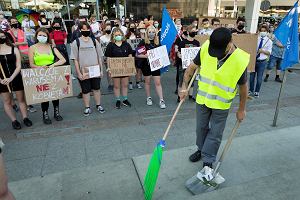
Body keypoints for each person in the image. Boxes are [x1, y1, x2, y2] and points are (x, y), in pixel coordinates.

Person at [180, 27, 249, 168]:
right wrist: (184, 86)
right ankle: (201, 149)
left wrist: (241, 109)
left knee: (215, 134)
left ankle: (208, 160)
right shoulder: (206, 47)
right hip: (202, 100)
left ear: (230, 42)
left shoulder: (240, 60)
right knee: (201, 129)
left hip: (221, 104)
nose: (215, 54)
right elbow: (191, 68)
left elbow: (243, 88)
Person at [28, 28, 66, 124]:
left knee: (54, 94)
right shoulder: (32, 48)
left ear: (47, 37)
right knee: (44, 96)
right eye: (40, 35)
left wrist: (53, 65)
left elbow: (63, 60)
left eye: (44, 36)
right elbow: (31, 64)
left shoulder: (51, 46)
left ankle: (56, 112)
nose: (42, 37)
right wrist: (40, 67)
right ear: (36, 36)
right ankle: (45, 114)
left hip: (52, 73)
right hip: (40, 73)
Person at [70, 22, 105, 116]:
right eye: (83, 29)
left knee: (96, 89)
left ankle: (98, 105)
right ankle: (87, 107)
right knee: (85, 91)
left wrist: (101, 70)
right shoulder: (76, 42)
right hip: (83, 71)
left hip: (95, 70)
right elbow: (75, 60)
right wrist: (78, 73)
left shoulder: (94, 41)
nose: (86, 31)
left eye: (87, 29)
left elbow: (99, 56)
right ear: (80, 30)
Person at [0, 30, 33, 130]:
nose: (1, 38)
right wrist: (1, 80)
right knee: (7, 101)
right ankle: (14, 120)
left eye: (2, 36)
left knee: (21, 99)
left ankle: (25, 117)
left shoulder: (14, 49)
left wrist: (11, 78)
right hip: (2, 80)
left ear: (6, 36)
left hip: (15, 77)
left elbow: (18, 66)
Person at [7, 18, 37, 113]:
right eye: (13, 22)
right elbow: (9, 44)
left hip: (25, 57)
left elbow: (25, 42)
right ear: (9, 23)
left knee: (26, 81)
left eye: (16, 22)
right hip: (13, 59)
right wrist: (17, 43)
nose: (15, 23)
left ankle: (28, 103)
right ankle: (13, 103)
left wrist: (15, 43)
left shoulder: (21, 31)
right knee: (16, 82)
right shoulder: (7, 33)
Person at [136, 26, 166, 109]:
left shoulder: (158, 42)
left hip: (156, 65)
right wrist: (146, 56)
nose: (151, 34)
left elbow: (162, 53)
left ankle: (161, 99)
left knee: (158, 82)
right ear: (147, 33)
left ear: (155, 33)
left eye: (153, 32)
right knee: (147, 82)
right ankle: (148, 97)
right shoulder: (143, 42)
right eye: (150, 32)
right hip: (146, 65)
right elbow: (138, 54)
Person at [105, 27, 133, 109]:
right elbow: (108, 58)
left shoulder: (126, 44)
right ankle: (118, 100)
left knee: (125, 85)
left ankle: (125, 99)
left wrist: (130, 66)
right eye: (116, 35)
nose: (118, 36)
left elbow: (130, 55)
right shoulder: (110, 45)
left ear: (122, 35)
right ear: (113, 36)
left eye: (119, 34)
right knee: (116, 86)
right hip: (115, 70)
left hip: (125, 69)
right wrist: (109, 68)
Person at [177, 25, 200, 102]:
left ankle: (190, 96)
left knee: (191, 81)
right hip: (183, 65)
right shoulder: (182, 43)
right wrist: (179, 55)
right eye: (192, 31)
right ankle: (179, 96)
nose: (194, 33)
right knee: (181, 80)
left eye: (195, 31)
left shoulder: (197, 42)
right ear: (188, 32)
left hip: (193, 65)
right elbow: (179, 53)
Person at [249, 25, 272, 98]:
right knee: (252, 77)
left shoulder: (269, 41)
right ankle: (251, 90)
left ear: (267, 32)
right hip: (254, 60)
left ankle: (257, 91)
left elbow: (269, 52)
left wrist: (263, 51)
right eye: (261, 31)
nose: (262, 32)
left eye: (264, 31)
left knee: (259, 78)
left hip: (262, 61)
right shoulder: (256, 39)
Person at [126, 22, 142, 90]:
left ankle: (138, 82)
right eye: (131, 26)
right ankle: (130, 83)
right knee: (130, 69)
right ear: (129, 28)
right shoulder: (126, 36)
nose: (132, 28)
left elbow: (141, 44)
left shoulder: (138, 35)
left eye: (133, 26)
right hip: (130, 54)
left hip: (137, 54)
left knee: (137, 69)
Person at [100, 24, 113, 92]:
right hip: (106, 56)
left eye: (109, 28)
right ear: (104, 29)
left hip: (113, 56)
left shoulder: (113, 37)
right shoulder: (102, 38)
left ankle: (115, 83)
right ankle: (110, 84)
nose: (108, 30)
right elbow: (101, 48)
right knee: (108, 71)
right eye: (107, 29)